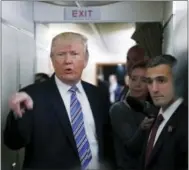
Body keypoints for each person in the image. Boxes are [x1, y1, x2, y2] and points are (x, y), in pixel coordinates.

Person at [4, 32, 115, 170]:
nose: (68, 60)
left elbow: (108, 141)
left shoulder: (98, 95)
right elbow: (13, 143)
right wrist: (17, 116)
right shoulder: (32, 96)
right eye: (61, 54)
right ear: (52, 59)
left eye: (74, 54)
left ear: (85, 59)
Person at [141, 54, 188, 170]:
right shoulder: (155, 117)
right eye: (150, 82)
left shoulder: (185, 122)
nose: (154, 89)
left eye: (161, 80)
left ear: (177, 81)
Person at [110, 61, 156, 170]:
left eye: (143, 80)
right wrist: (142, 128)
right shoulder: (118, 109)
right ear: (128, 81)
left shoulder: (153, 109)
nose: (137, 84)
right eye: (134, 79)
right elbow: (132, 148)